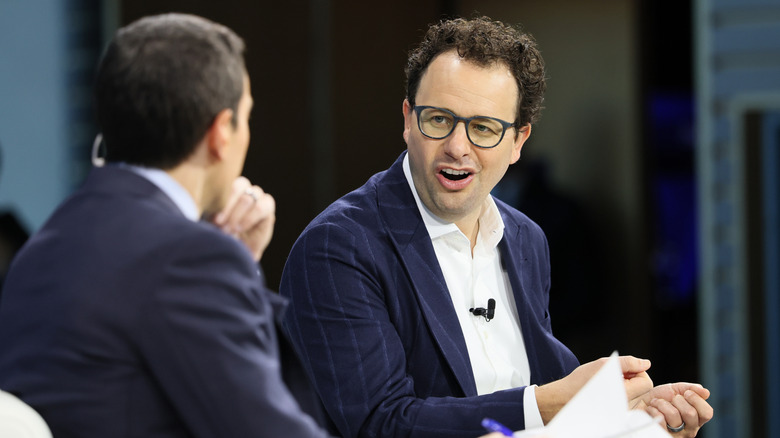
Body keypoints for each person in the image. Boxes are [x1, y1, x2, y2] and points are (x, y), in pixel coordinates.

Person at [280, 16, 713, 438]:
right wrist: (542, 405)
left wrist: (630, 417)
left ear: (518, 141)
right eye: (438, 120)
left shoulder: (526, 238)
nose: (457, 147)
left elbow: (554, 399)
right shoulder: (337, 247)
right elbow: (379, 422)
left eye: (483, 128)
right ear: (408, 120)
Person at [0, 13, 332, 437]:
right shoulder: (190, 260)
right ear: (220, 134)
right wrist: (229, 265)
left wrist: (234, 262)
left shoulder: (41, 248)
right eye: (246, 116)